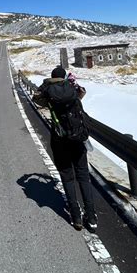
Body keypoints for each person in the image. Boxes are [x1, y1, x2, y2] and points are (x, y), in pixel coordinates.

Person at [33, 66, 97, 232]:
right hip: (77, 137)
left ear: (52, 77)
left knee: (67, 177)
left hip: (60, 139)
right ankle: (91, 217)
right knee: (83, 176)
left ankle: (76, 218)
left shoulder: (48, 92)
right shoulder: (72, 88)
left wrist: (46, 84)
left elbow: (36, 99)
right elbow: (82, 94)